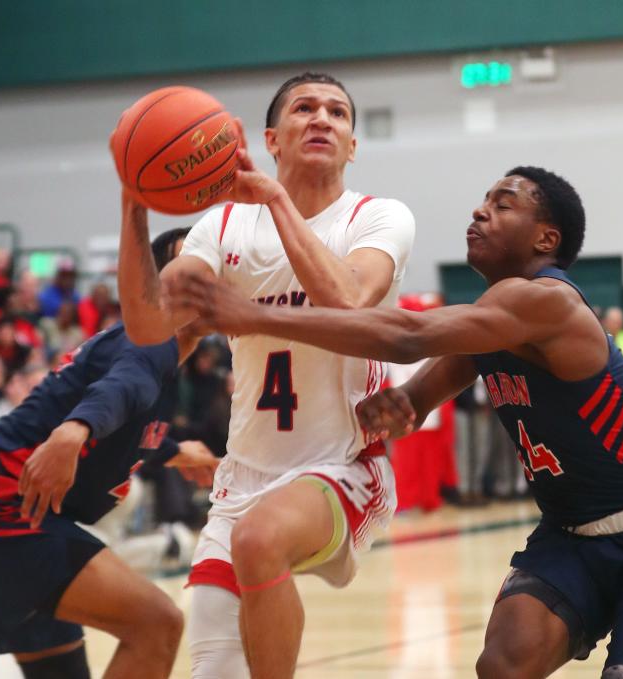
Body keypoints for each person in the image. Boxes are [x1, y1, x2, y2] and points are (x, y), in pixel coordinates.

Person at [172, 166, 623, 679]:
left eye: (502, 205)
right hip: (569, 537)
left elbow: (408, 334)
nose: (479, 213)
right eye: (481, 203)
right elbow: (418, 396)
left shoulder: (548, 305)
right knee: (501, 665)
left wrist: (255, 315)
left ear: (545, 240)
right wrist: (401, 402)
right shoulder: (491, 322)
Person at [117, 71, 415, 678]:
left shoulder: (378, 217)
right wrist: (134, 206)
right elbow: (150, 328)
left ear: (353, 145)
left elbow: (350, 302)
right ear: (271, 140)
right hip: (245, 474)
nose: (323, 119)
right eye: (304, 109)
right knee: (212, 669)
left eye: (337, 113)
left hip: (344, 462)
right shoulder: (220, 228)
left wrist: (276, 199)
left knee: (259, 539)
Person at [0, 229, 219, 679]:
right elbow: (117, 391)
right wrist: (74, 430)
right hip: (1, 506)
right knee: (157, 623)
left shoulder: (154, 354)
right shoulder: (150, 342)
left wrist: (173, 451)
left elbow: (128, 417)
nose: (214, 277)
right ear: (161, 283)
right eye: (197, 266)